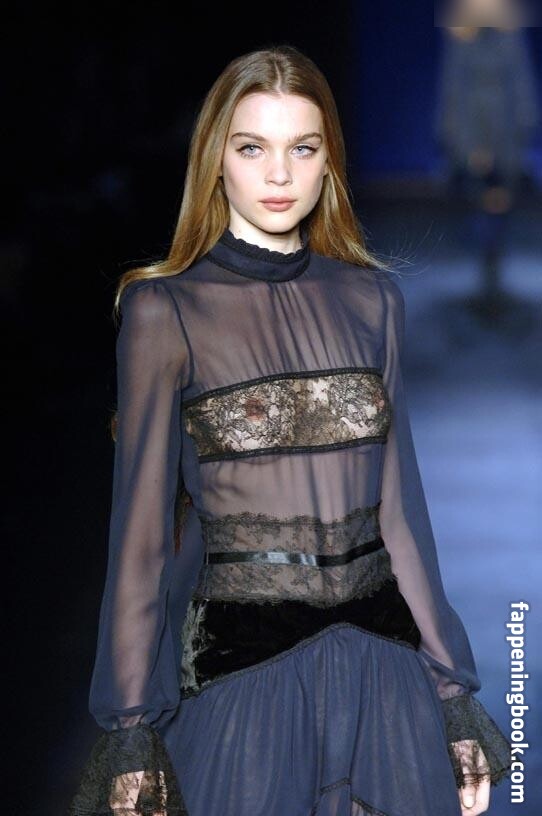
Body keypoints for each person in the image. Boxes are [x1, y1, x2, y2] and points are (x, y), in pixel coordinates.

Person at [69, 44, 511, 816]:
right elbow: (141, 540)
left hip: (385, 685)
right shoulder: (165, 310)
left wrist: (452, 694)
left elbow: (401, 515)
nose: (279, 174)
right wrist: (132, 728)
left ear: (328, 161)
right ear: (216, 160)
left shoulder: (373, 300)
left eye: (302, 148)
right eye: (253, 148)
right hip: (246, 685)